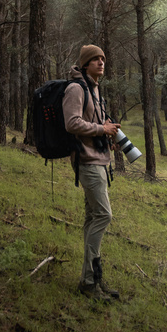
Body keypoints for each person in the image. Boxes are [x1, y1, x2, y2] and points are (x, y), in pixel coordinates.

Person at [62, 44, 121, 302]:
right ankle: (89, 281)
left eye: (103, 58)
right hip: (87, 161)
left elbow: (95, 124)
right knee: (103, 216)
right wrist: (100, 130)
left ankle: (92, 278)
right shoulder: (76, 88)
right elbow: (72, 123)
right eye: (95, 59)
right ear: (85, 64)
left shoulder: (95, 90)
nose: (101, 62)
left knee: (91, 220)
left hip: (99, 159)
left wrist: (108, 133)